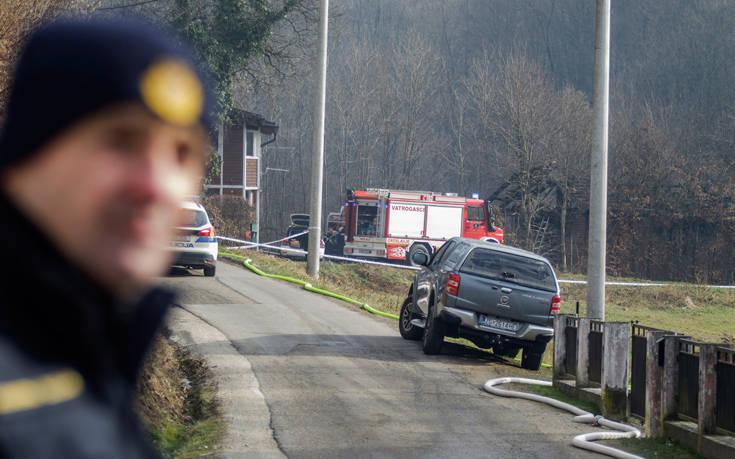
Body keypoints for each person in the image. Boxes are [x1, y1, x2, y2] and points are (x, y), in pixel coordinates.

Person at [0, 18, 212, 458]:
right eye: (121, 140)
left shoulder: (87, 351)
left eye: (181, 152)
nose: (157, 186)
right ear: (24, 155)